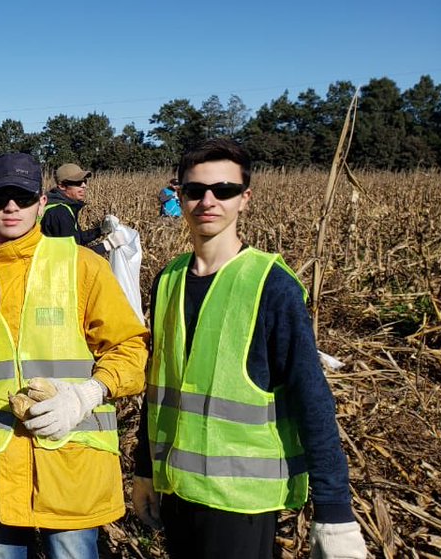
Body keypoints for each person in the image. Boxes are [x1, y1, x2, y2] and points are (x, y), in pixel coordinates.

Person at [131, 138, 365, 559]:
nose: (208, 201)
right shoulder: (168, 279)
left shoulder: (272, 285)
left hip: (241, 504)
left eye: (224, 190)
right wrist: (145, 471)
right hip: (178, 491)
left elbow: (311, 397)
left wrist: (334, 512)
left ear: (245, 199)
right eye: (195, 190)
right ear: (178, 196)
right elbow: (158, 388)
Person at [0, 152, 149, 559]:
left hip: (68, 464)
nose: (11, 207)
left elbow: (130, 348)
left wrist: (87, 394)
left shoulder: (82, 266)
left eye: (22, 197)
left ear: (42, 202)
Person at [40, 163, 125, 255]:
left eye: (85, 181)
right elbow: (73, 256)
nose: (84, 185)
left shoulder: (62, 205)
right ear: (62, 186)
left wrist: (101, 230)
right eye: (78, 182)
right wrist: (107, 245)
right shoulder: (60, 212)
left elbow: (78, 238)